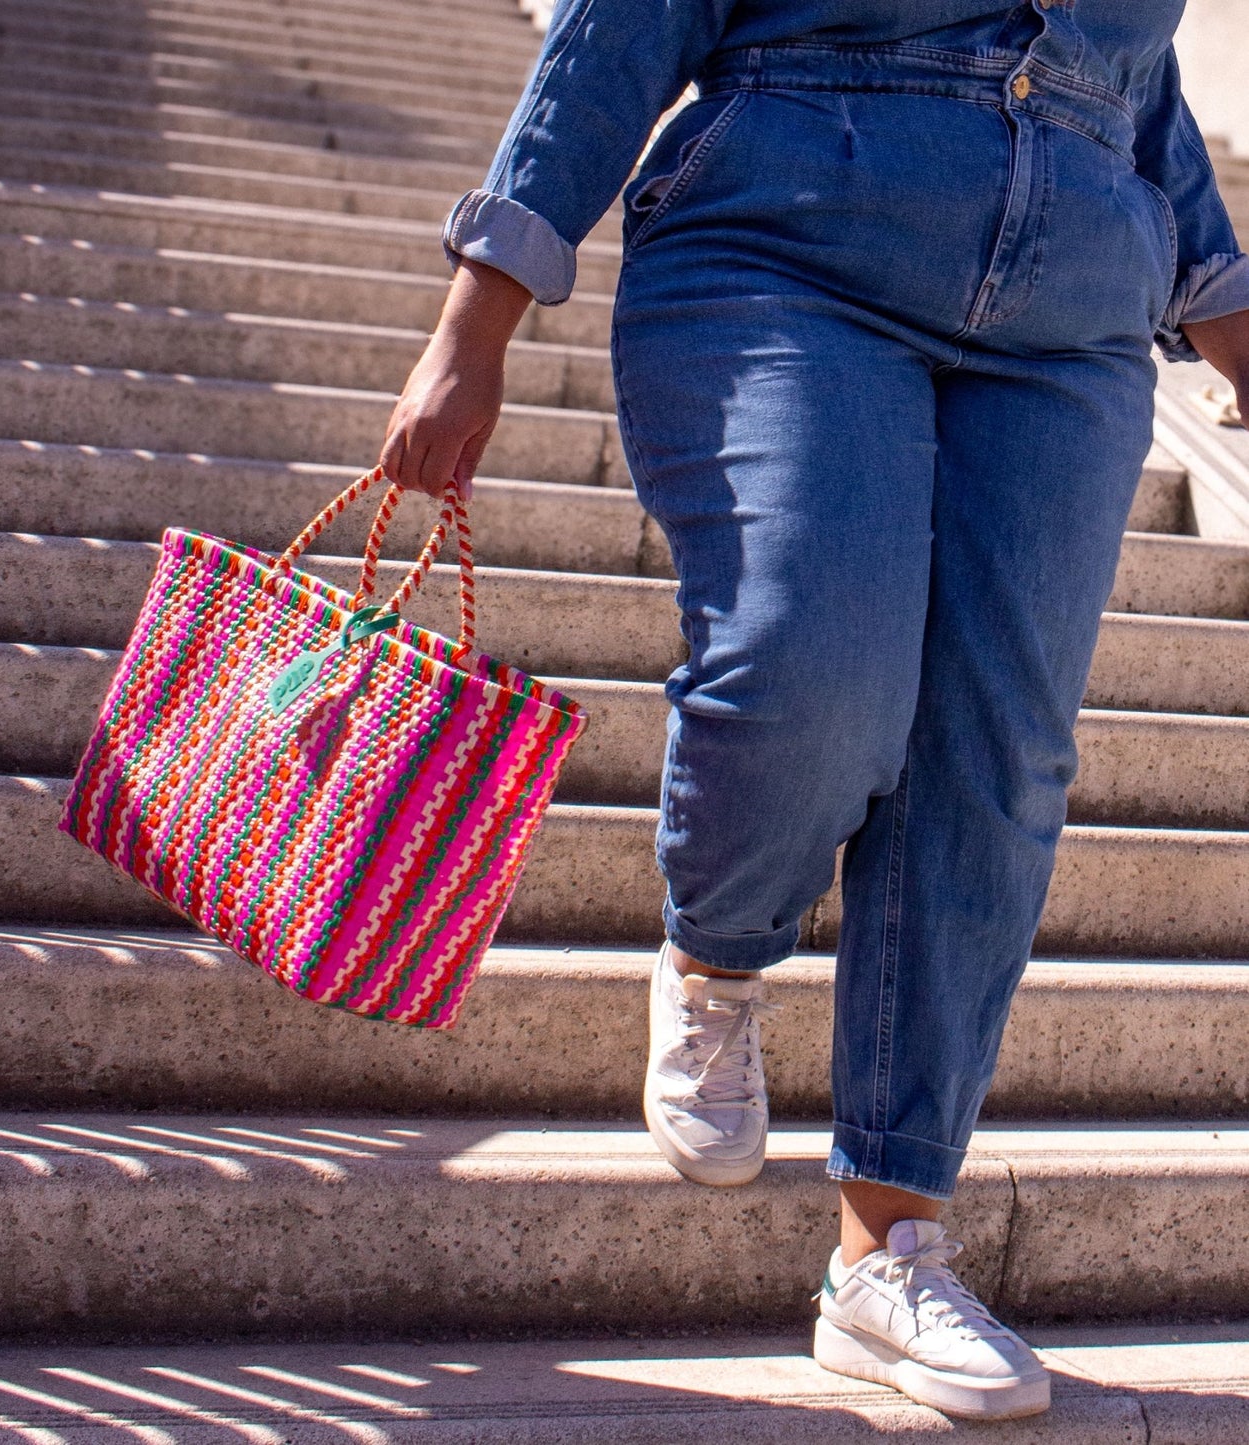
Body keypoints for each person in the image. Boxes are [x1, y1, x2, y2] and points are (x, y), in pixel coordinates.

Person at [379, 0, 1249, 1421]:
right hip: (784, 242)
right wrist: (475, 317)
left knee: (995, 759)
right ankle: (717, 951)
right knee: (806, 659)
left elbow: (1122, 76)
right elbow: (622, 23)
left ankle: (886, 1252)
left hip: (1071, 313)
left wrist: (1226, 311)